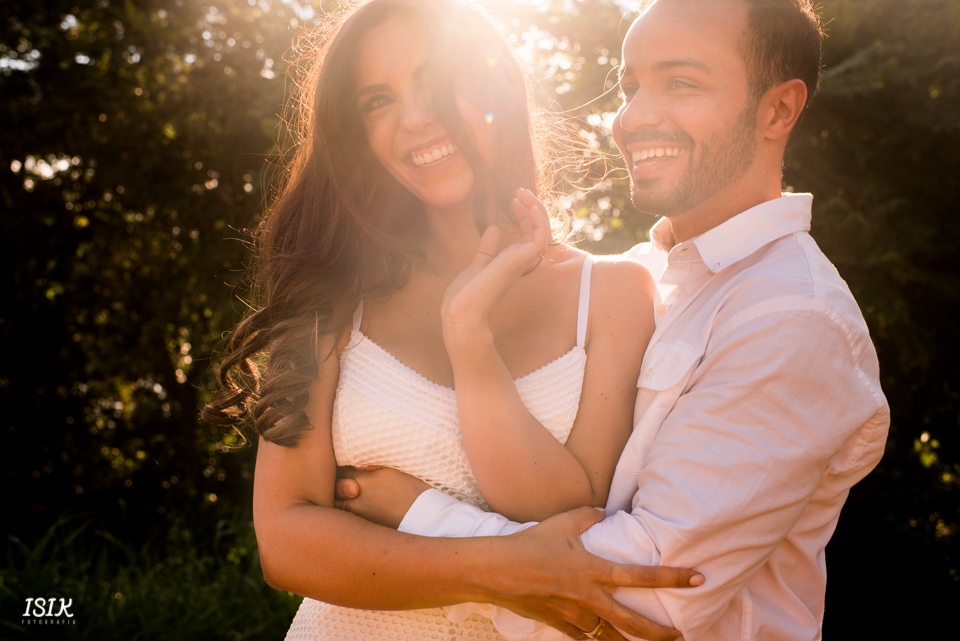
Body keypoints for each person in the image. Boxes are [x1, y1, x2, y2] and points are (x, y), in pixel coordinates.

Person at [333, 0, 891, 639]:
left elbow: (646, 598)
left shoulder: (791, 317)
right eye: (631, 87)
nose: (633, 117)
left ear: (778, 110)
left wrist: (418, 520)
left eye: (680, 83)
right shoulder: (641, 276)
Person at [203, 1, 701, 640]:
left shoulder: (613, 293)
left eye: (436, 80)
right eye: (377, 101)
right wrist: (495, 568)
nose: (415, 118)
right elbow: (286, 544)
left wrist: (468, 336)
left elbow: (570, 518)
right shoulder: (330, 295)